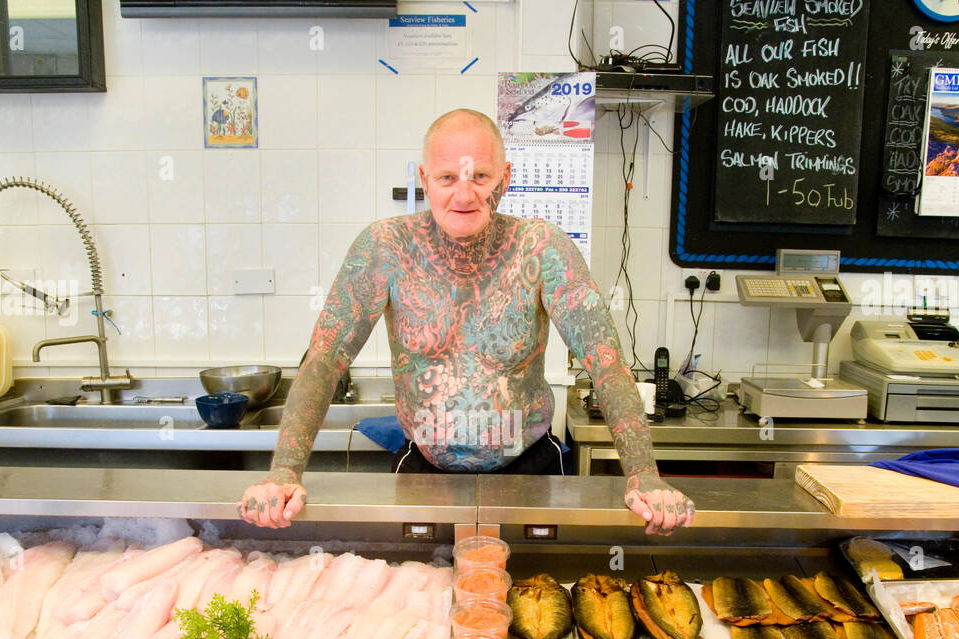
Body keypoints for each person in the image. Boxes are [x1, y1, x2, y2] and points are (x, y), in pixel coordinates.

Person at [239, 108, 694, 535]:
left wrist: (643, 474)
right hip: (424, 475)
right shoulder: (385, 248)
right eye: (447, 177)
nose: (464, 193)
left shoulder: (540, 248)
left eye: (480, 176)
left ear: (505, 178)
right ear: (424, 179)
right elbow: (324, 361)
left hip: (530, 475)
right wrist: (283, 472)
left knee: (531, 604)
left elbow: (607, 363)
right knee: (426, 606)